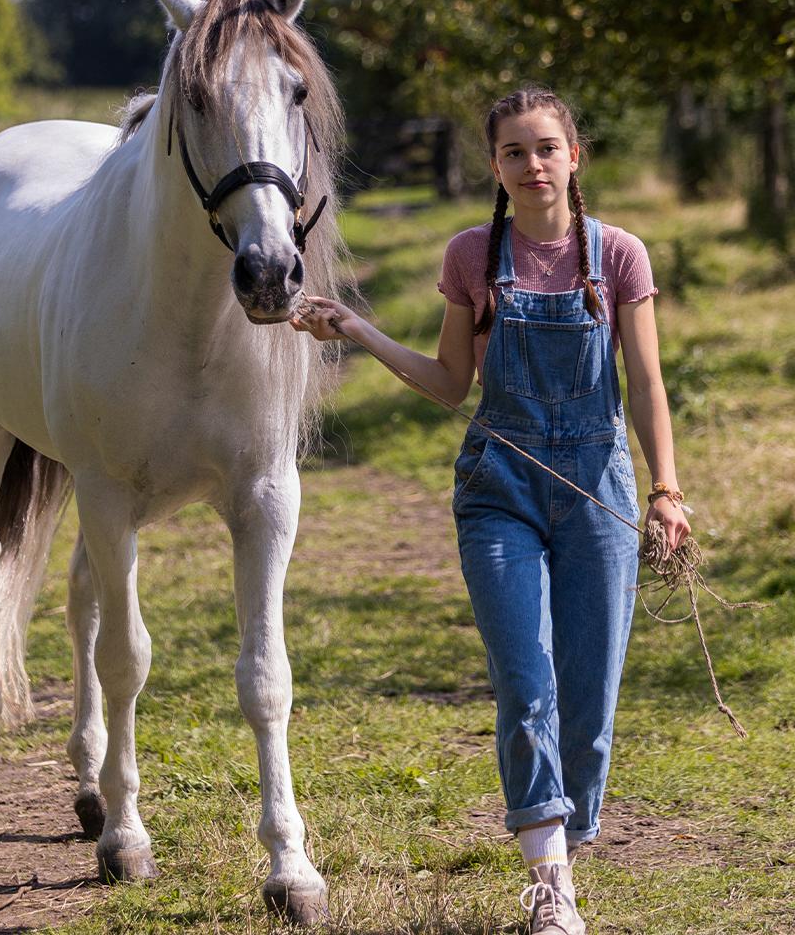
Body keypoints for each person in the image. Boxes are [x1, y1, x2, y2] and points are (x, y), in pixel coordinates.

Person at [291, 86, 690, 935]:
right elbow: (448, 384)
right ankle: (548, 881)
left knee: (589, 701)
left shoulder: (619, 256)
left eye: (546, 147)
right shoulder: (474, 255)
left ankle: (565, 842)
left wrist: (666, 492)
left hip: (601, 492)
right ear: (496, 167)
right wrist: (355, 331)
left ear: (574, 156)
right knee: (526, 680)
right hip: (498, 490)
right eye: (514, 152)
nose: (532, 164)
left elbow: (647, 385)